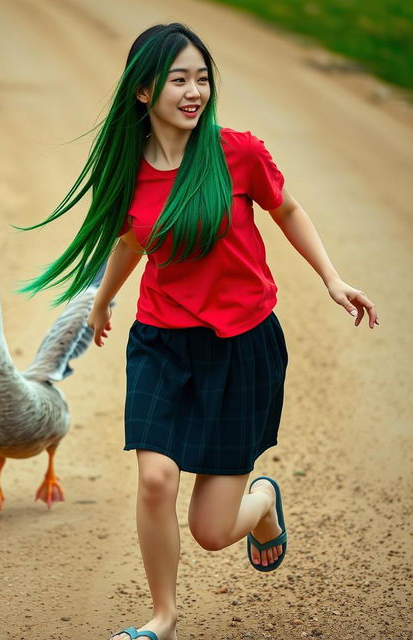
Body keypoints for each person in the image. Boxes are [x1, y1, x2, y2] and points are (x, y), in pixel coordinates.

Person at [20, 22, 378, 640]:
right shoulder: (129, 171)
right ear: (142, 92)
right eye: (178, 79)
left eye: (202, 78)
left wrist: (332, 278)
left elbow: (287, 208)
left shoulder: (237, 151)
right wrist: (103, 301)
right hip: (162, 342)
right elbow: (133, 238)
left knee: (212, 532)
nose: (194, 91)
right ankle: (161, 618)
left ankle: (261, 501)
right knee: (155, 478)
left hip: (243, 345)